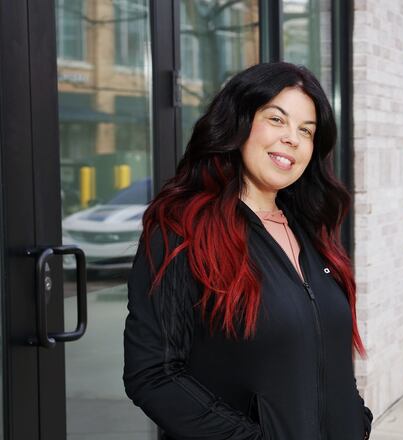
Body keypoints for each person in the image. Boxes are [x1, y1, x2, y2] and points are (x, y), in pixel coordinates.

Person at [123, 62, 373, 439]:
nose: (292, 138)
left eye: (306, 131)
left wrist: (355, 419)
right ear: (239, 122)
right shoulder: (181, 230)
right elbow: (154, 374)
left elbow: (326, 352)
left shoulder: (310, 229)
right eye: (277, 119)